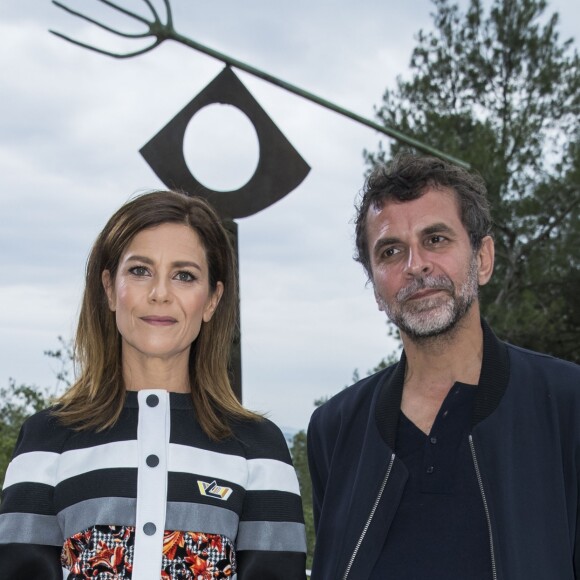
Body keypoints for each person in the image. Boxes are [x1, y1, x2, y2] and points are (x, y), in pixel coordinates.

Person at [0, 190, 307, 579]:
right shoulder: (46, 440)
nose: (160, 293)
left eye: (184, 276)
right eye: (140, 271)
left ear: (212, 300)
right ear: (110, 288)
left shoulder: (259, 449)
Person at [307, 154, 580, 579]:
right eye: (391, 251)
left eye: (436, 239)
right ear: (376, 288)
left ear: (483, 259)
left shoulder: (566, 404)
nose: (415, 265)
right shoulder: (336, 430)